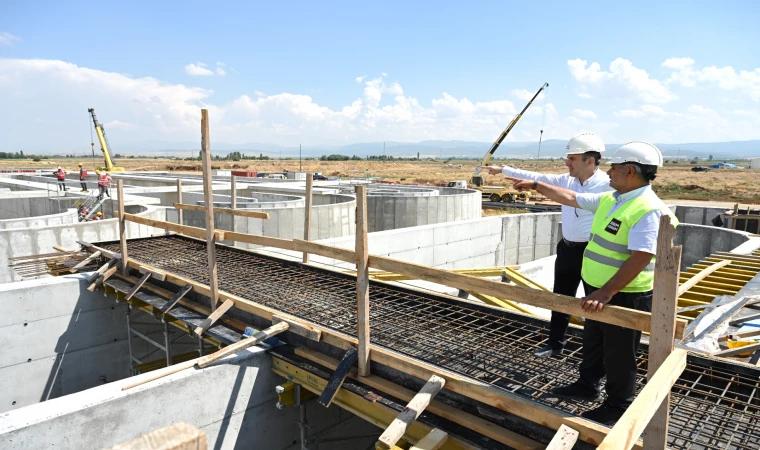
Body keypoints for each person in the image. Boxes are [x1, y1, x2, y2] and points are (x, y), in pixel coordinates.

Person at [506, 141, 677, 426]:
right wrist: (536, 186)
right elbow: (571, 198)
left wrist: (607, 292)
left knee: (620, 353)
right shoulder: (613, 199)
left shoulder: (648, 209)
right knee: (594, 341)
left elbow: (640, 257)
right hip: (598, 290)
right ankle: (587, 386)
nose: (609, 171)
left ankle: (618, 406)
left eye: (615, 167)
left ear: (631, 171)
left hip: (625, 295)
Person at [485, 132, 613, 358]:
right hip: (567, 248)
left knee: (593, 304)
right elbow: (538, 176)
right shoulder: (568, 180)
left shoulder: (607, 186)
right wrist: (503, 170)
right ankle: (555, 344)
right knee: (560, 298)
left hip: (592, 252)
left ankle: (595, 355)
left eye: (572, 158)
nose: (567, 163)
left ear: (590, 160)